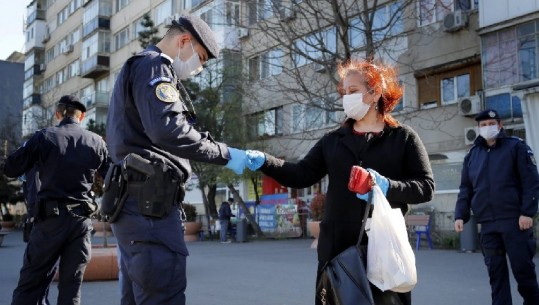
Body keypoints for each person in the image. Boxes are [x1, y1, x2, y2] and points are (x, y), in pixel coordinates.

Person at [245, 60, 435, 305]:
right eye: (344, 93)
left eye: (353, 91)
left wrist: (385, 186)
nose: (347, 98)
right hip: (336, 252)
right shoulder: (333, 141)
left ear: (375, 92)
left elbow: (425, 187)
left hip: (384, 249)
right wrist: (265, 161)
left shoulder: (403, 138)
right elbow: (302, 174)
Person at [105, 15, 251, 305]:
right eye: (199, 58)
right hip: (150, 210)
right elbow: (169, 130)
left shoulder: (143, 67)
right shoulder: (153, 66)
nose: (198, 68)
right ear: (184, 41)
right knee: (162, 295)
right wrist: (226, 154)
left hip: (137, 205)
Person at [3, 95, 110, 305]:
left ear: (58, 114)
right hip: (80, 224)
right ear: (83, 116)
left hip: (49, 223)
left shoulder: (44, 137)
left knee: (31, 286)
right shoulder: (97, 141)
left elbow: (11, 167)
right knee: (71, 289)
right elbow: (112, 179)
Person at [454, 109, 539, 305]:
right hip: (488, 225)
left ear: (500, 125)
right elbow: (466, 188)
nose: (487, 128)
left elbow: (531, 182)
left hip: (515, 223)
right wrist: (461, 214)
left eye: (491, 124)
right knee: (496, 276)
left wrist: (527, 212)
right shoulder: (472, 155)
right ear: (478, 128)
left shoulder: (516, 147)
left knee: (523, 273)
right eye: (483, 125)